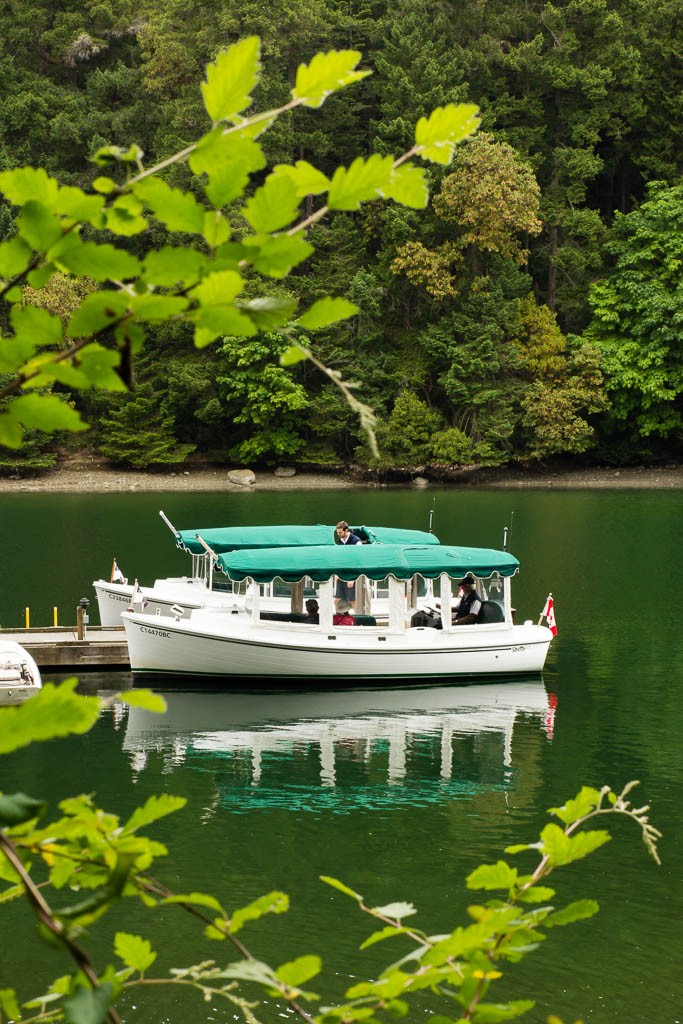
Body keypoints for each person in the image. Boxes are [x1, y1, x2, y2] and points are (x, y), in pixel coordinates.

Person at [334, 520, 361, 607]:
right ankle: (338, 619)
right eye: (337, 532)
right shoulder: (340, 542)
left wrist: (353, 578)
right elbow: (339, 559)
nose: (338, 534)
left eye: (340, 532)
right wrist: (337, 574)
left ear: (346, 530)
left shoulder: (356, 541)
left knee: (353, 601)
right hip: (342, 574)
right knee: (337, 600)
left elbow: (358, 560)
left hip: (352, 575)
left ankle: (357, 619)